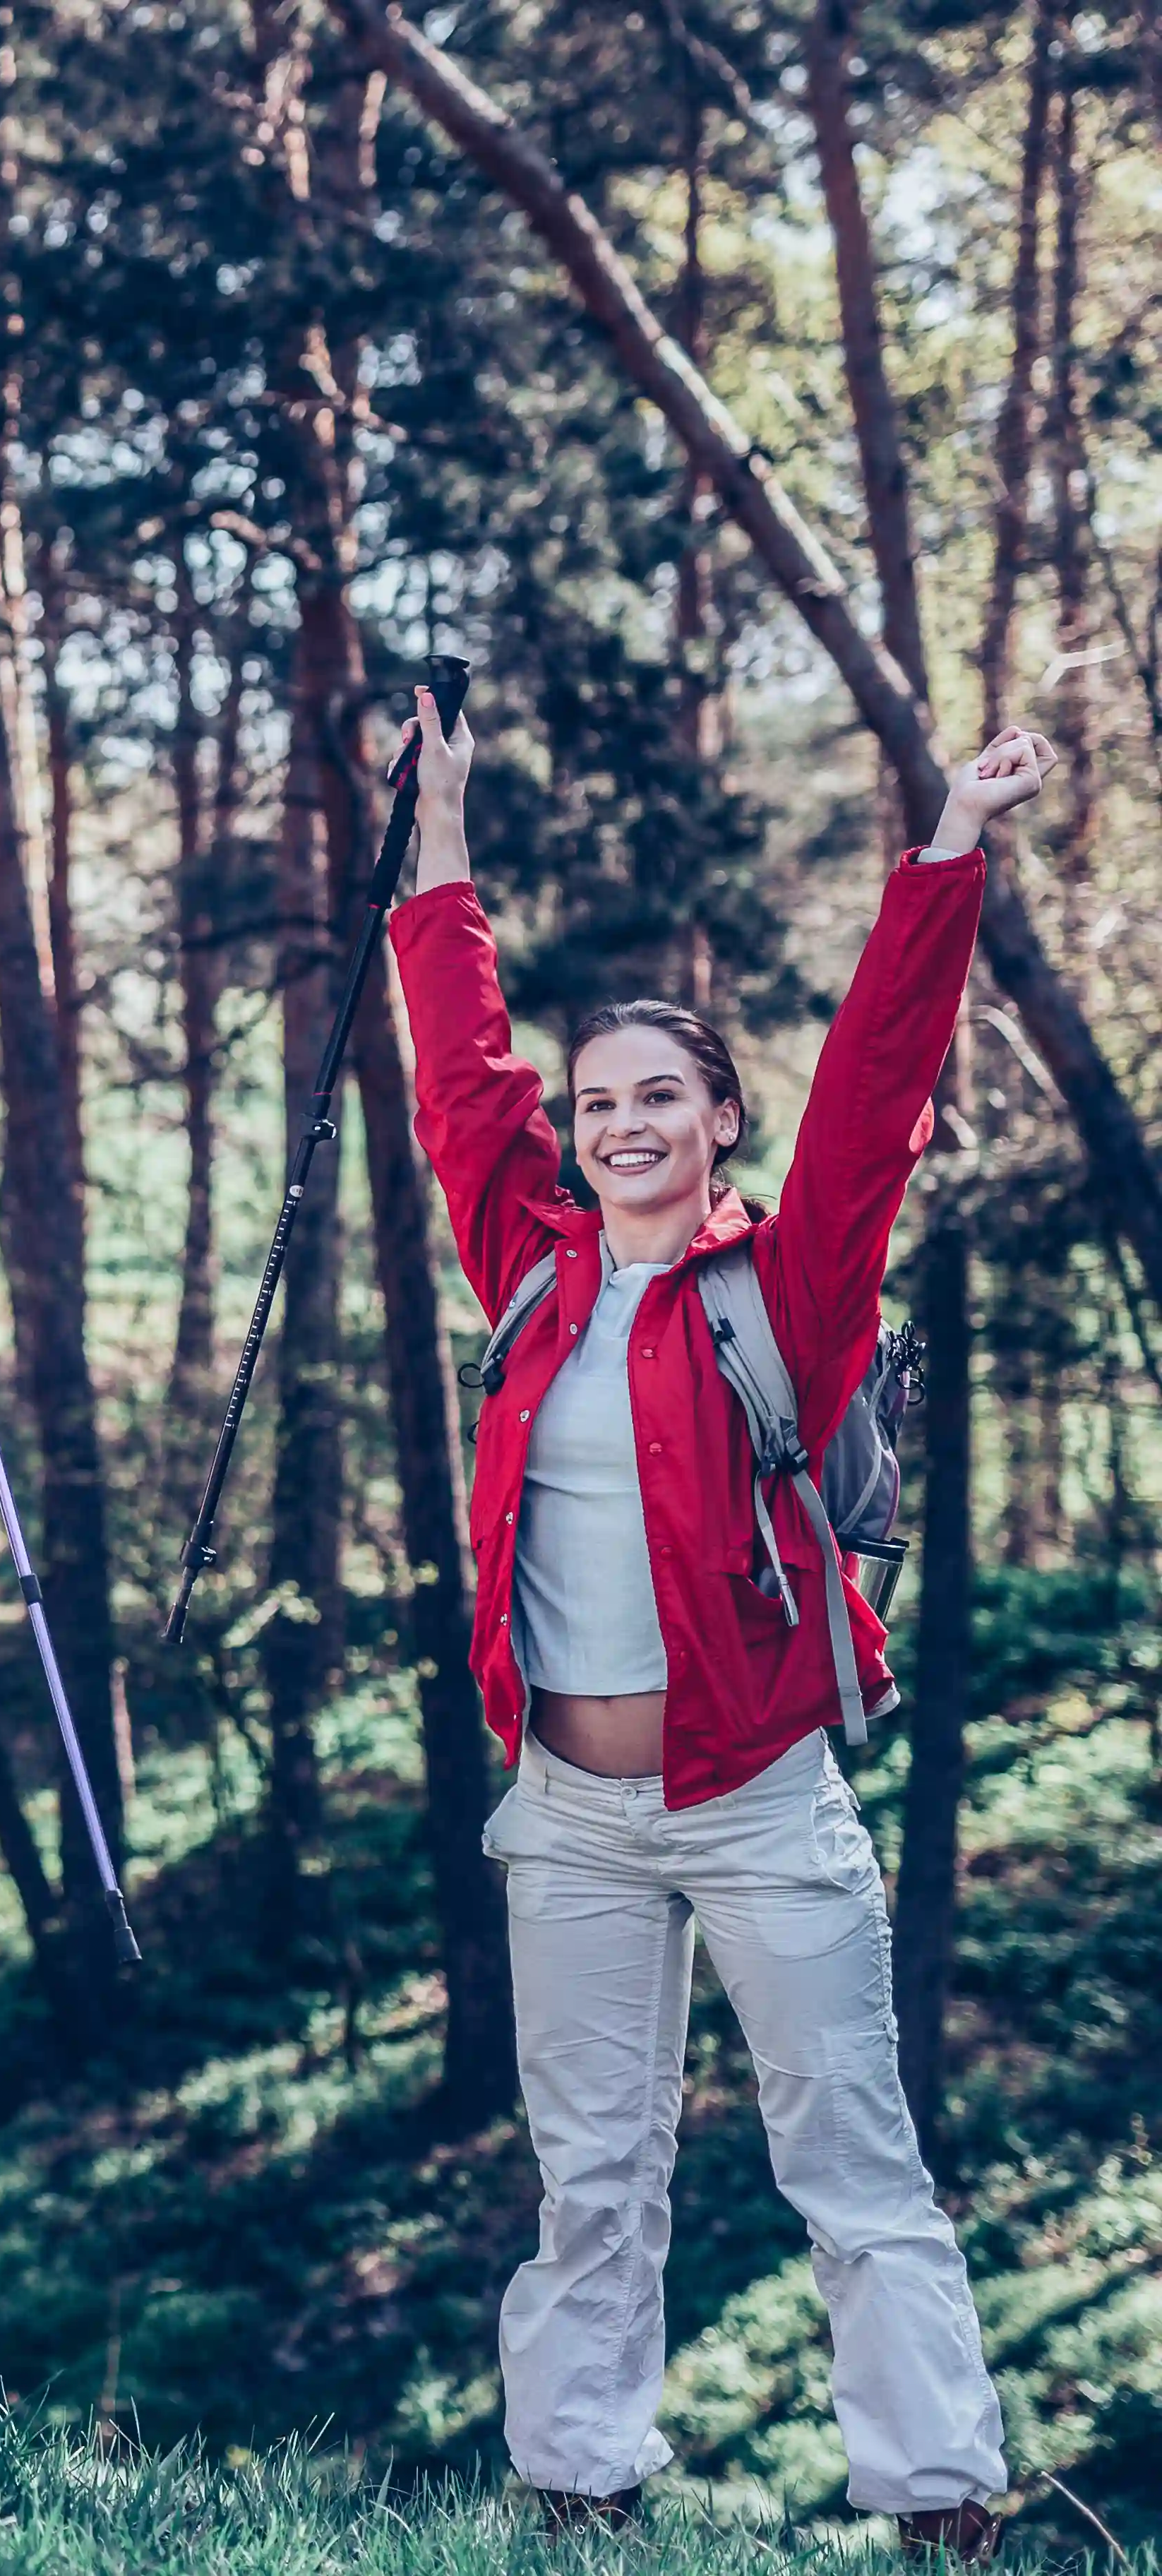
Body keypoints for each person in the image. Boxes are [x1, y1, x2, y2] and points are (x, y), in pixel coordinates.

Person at [391, 686, 1038, 2558]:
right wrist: (440, 828)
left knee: (851, 2157)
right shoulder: (532, 1266)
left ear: (718, 1118)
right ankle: (581, 2486)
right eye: (595, 1106)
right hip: (573, 1807)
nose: (618, 1127)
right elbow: (460, 1071)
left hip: (758, 1790)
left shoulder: (796, 1280)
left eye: (657, 1097)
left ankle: (938, 2497)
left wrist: (947, 846)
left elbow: (882, 1088)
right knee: (591, 2177)